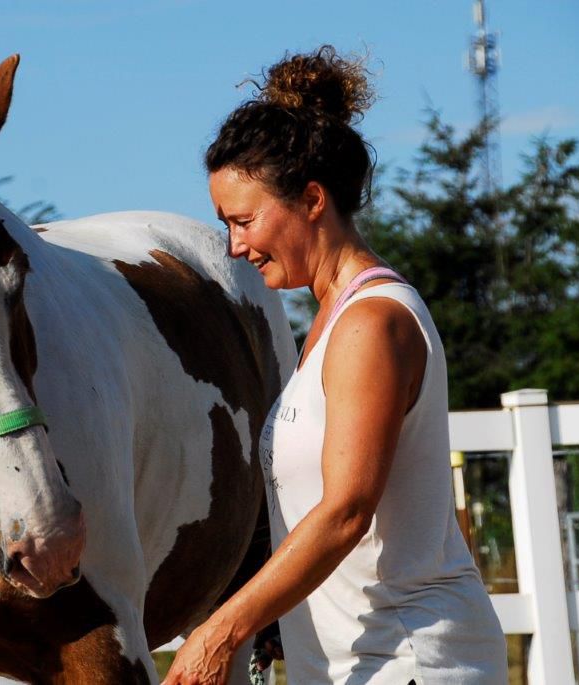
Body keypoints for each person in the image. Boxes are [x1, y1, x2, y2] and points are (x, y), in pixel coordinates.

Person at [162, 46, 507, 684]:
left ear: (313, 199)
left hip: (407, 658)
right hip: (357, 661)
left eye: (243, 221)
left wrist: (222, 630)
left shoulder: (371, 324)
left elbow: (347, 510)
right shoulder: (328, 322)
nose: (235, 245)